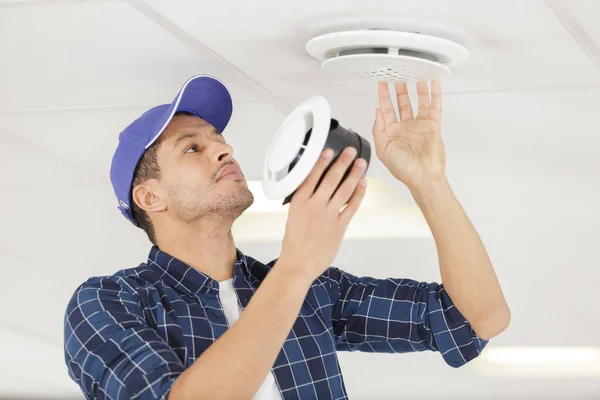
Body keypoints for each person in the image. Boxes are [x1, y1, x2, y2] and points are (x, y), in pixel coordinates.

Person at [63, 74, 510, 400]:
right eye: (193, 147)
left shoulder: (311, 288)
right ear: (149, 196)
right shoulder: (106, 303)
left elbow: (479, 319)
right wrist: (296, 267)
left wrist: (428, 182)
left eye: (219, 139)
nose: (225, 148)